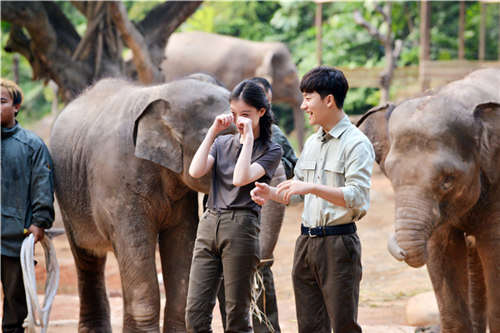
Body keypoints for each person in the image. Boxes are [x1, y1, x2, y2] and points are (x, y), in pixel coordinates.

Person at [251, 66, 375, 333]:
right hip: (306, 243)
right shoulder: (311, 143)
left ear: (328, 100)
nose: (303, 105)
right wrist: (272, 193)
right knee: (309, 325)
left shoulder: (356, 144)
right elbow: (299, 193)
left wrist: (311, 188)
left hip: (339, 244)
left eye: (308, 97)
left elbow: (357, 197)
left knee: (343, 325)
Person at [186, 80, 282, 333]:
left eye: (246, 114)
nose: (239, 120)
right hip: (209, 224)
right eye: (235, 113)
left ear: (262, 111)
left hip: (241, 227)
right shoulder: (221, 144)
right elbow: (195, 171)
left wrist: (247, 138)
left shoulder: (271, 150)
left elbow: (241, 177)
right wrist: (212, 132)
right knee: (195, 316)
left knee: (236, 317)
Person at [216, 77, 298, 333]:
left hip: (256, 216)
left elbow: (290, 167)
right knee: (228, 288)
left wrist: (262, 176)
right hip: (226, 222)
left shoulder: (275, 138)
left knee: (259, 274)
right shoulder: (230, 135)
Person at [1, 78, 55, 333]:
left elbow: (43, 187)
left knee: (15, 310)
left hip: (14, 240)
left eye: (2, 101)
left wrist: (39, 222)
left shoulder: (32, 146)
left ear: (16, 107)